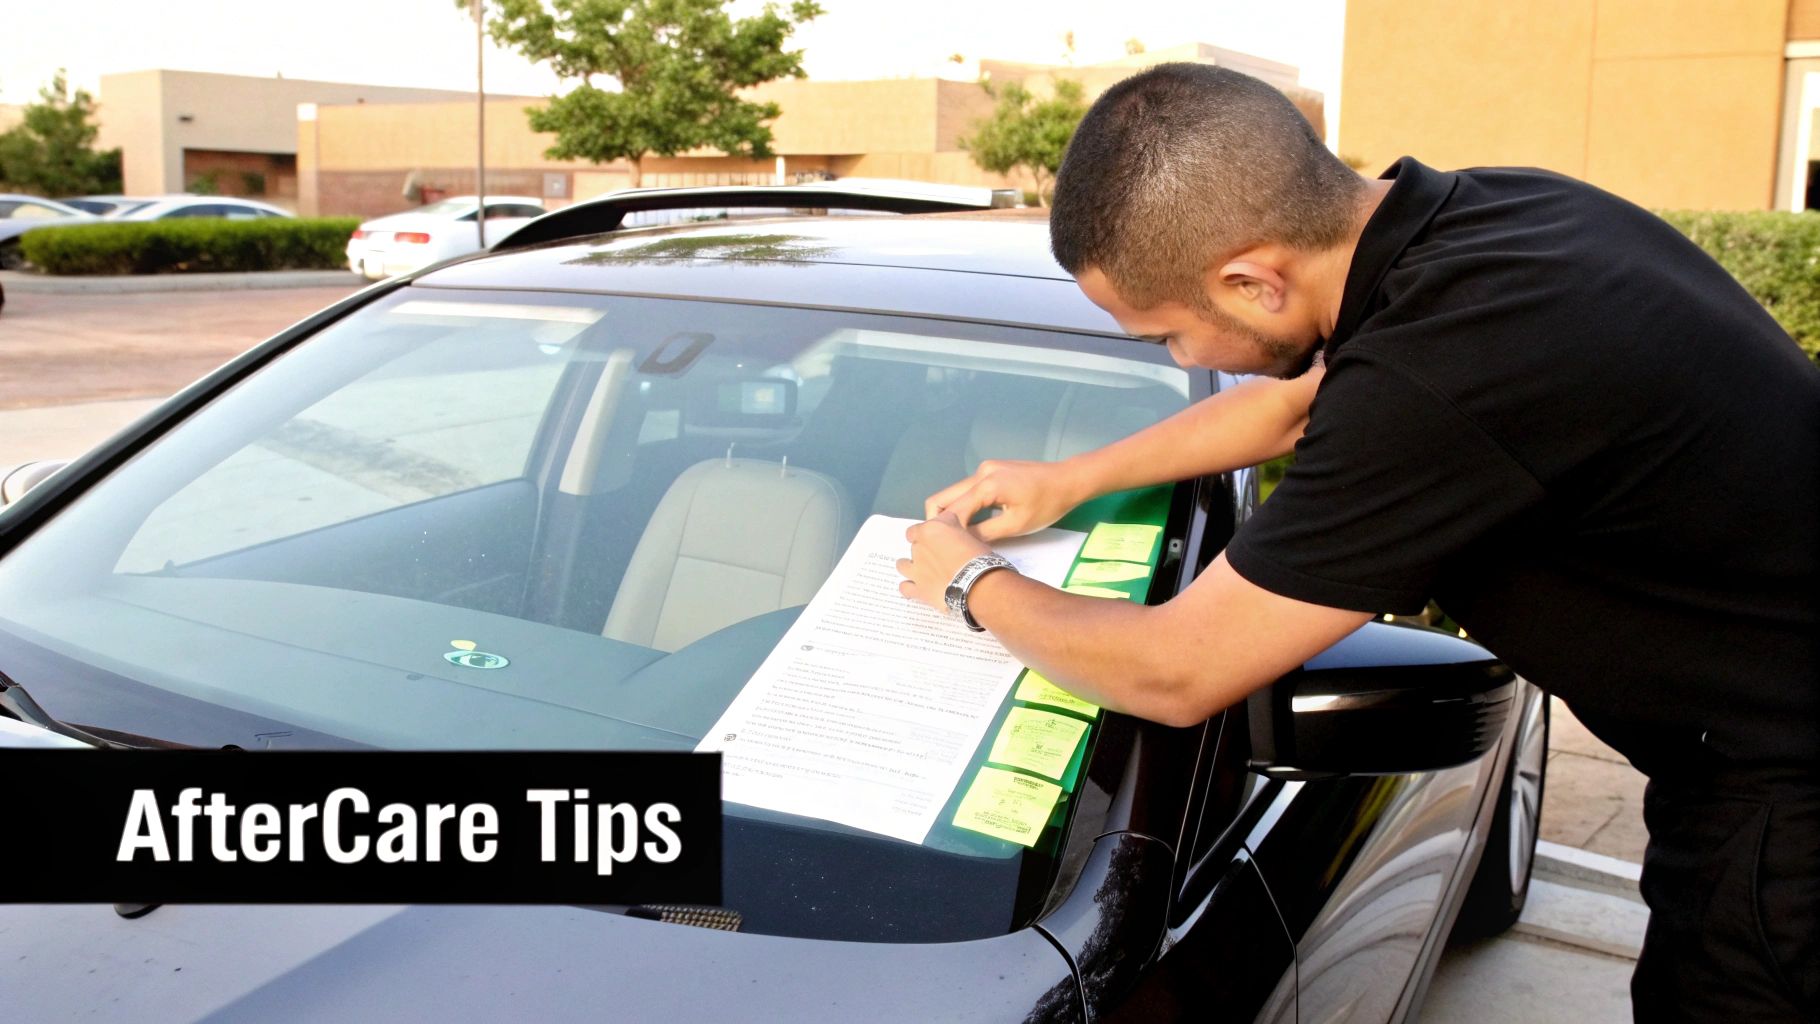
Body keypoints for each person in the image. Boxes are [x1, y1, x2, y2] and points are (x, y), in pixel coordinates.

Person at [894, 63, 1818, 1021]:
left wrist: (973, 583)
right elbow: (1301, 403)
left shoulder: (1439, 378)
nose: (1178, 359)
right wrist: (1073, 478)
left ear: (1252, 281)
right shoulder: (1494, 219)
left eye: (1167, 335)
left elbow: (1175, 671)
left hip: (1783, 808)